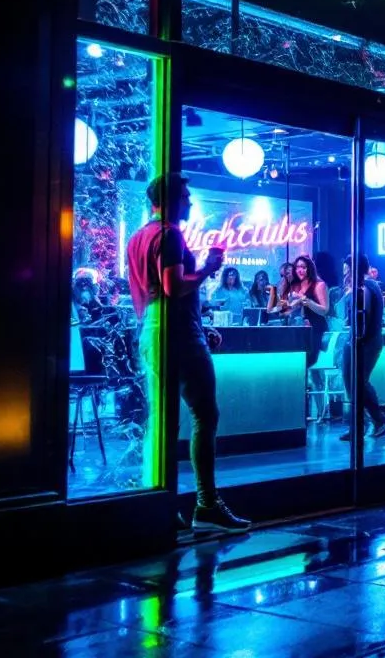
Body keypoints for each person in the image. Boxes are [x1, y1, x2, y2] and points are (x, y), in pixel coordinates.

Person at [127, 173, 249, 533]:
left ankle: (160, 503)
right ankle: (206, 504)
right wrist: (210, 268)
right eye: (185, 196)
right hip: (178, 335)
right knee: (205, 414)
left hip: (151, 332)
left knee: (163, 421)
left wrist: (199, 322)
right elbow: (173, 286)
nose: (190, 203)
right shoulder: (170, 234)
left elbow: (155, 295)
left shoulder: (137, 237)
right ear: (168, 200)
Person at [338, 254, 385, 442]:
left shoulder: (365, 287)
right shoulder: (369, 286)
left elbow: (363, 316)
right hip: (366, 340)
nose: (345, 274)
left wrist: (357, 339)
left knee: (357, 382)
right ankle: (367, 423)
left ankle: (374, 421)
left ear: (355, 269)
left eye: (347, 270)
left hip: (364, 341)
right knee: (357, 382)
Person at [289, 255, 330, 369]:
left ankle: (309, 385)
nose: (300, 270)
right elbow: (291, 309)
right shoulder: (297, 285)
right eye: (297, 267)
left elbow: (325, 310)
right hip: (301, 328)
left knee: (308, 361)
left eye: (303, 267)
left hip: (316, 330)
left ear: (310, 268)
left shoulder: (319, 285)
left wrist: (307, 301)